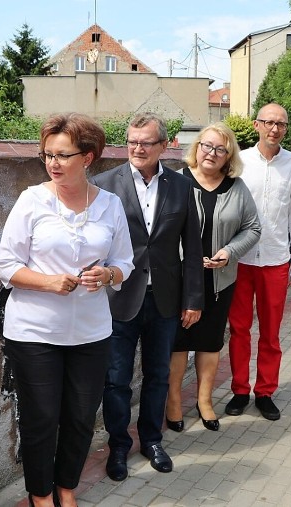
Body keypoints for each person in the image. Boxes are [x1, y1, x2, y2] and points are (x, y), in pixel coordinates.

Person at [0, 113, 134, 507]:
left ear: (87, 158)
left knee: (80, 417)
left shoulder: (109, 205)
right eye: (47, 155)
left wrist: (107, 274)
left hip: (91, 333)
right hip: (35, 333)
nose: (53, 163)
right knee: (41, 421)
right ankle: (40, 495)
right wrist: (48, 282)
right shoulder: (32, 200)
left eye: (62, 155)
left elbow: (126, 261)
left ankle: (67, 488)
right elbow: (5, 265)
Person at [90, 112, 203, 481]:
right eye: (132, 141)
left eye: (145, 142)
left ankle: (152, 440)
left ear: (164, 146)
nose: (137, 148)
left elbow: (192, 246)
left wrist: (193, 299)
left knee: (158, 376)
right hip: (119, 297)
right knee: (117, 378)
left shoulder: (182, 186)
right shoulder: (104, 185)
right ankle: (119, 446)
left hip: (166, 299)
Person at [166, 123, 261, 431]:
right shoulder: (177, 182)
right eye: (207, 146)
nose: (212, 153)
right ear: (197, 148)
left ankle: (205, 400)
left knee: (209, 342)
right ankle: (175, 401)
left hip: (220, 281)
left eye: (220, 149)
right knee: (178, 343)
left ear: (228, 156)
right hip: (181, 279)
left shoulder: (237, 187)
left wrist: (230, 252)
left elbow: (253, 228)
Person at [224, 103, 291, 421]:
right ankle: (239, 390)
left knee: (271, 333)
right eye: (269, 123)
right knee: (239, 330)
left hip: (275, 259)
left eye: (281, 124)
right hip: (240, 258)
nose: (275, 129)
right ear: (256, 125)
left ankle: (265, 391)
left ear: (286, 129)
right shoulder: (240, 161)